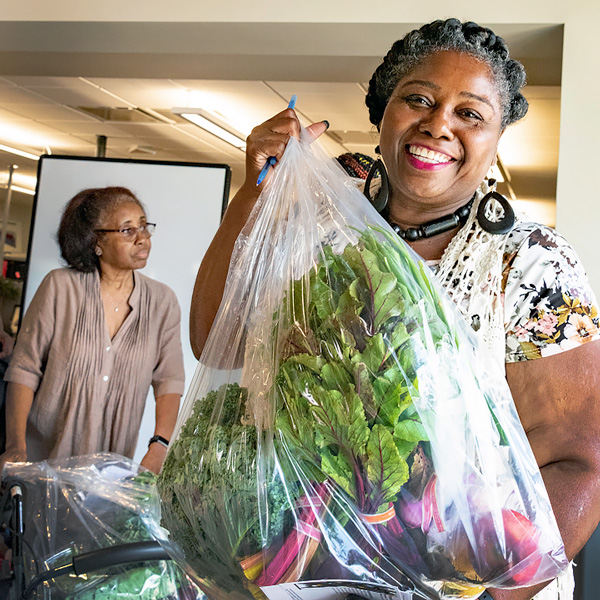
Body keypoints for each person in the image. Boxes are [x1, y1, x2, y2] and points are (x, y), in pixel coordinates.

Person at [189, 19, 600, 600]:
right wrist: (254, 193)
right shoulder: (319, 227)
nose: (438, 125)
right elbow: (216, 342)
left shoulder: (529, 264)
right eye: (418, 100)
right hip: (308, 572)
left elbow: (582, 460)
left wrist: (490, 593)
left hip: (473, 584)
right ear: (384, 112)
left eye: (471, 114)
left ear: (496, 138)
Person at [0, 186, 185, 474]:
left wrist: (160, 445)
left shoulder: (162, 302)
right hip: (42, 463)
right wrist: (15, 445)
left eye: (144, 226)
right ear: (96, 241)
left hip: (109, 473)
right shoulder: (60, 287)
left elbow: (169, 381)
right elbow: (24, 369)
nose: (143, 237)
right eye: (127, 230)